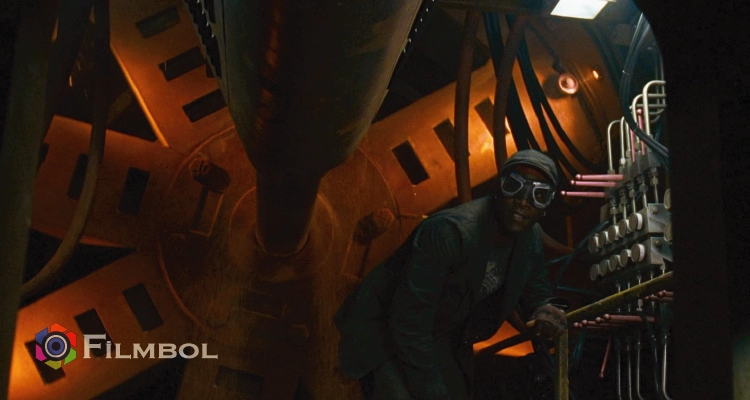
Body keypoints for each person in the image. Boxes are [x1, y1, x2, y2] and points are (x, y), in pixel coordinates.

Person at [334, 149, 568, 400]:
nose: (523, 201)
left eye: (539, 195)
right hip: (385, 330)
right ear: (499, 188)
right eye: (514, 186)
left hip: (438, 332)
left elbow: (536, 285)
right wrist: (432, 391)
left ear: (546, 205)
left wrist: (546, 307)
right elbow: (408, 322)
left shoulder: (530, 237)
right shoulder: (449, 232)